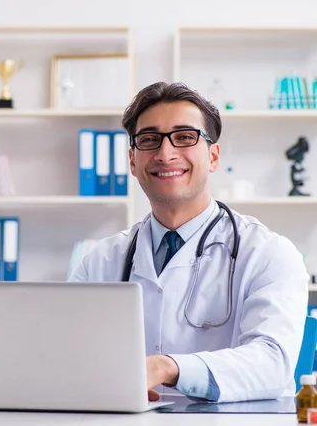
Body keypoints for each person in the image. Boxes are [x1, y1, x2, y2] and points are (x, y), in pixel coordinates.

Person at [69, 81, 308, 403]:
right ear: (132, 161)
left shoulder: (268, 252)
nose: (165, 154)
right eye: (149, 140)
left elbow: (272, 363)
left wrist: (171, 368)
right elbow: (71, 360)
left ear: (213, 156)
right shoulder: (100, 261)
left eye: (184, 137)